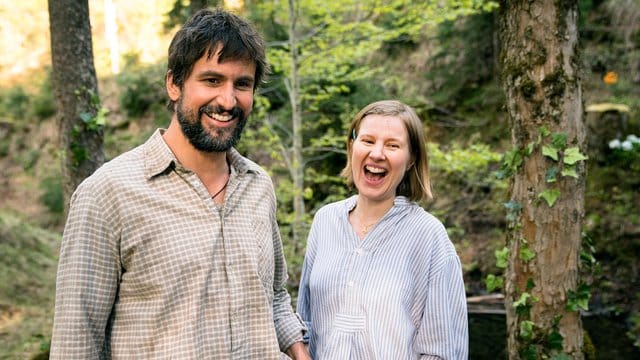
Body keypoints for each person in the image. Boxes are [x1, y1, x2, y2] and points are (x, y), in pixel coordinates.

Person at [50, 8, 309, 360]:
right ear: (174, 84)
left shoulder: (258, 186)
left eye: (242, 84)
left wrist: (299, 350)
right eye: (212, 80)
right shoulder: (108, 194)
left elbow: (275, 295)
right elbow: (75, 343)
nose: (228, 101)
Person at [296, 100, 468, 359]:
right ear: (352, 146)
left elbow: (443, 350)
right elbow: (305, 325)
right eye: (367, 140)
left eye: (392, 145)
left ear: (411, 160)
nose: (377, 154)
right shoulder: (325, 221)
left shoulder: (429, 236)